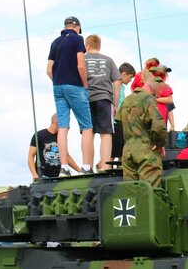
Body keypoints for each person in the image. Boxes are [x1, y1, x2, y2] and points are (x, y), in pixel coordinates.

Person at [45, 15, 91, 174]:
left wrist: (58, 81)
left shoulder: (55, 42)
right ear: (77, 27)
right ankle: (86, 166)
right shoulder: (78, 39)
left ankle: (63, 167)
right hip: (75, 86)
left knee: (63, 127)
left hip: (58, 87)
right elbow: (81, 65)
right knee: (86, 126)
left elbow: (49, 69)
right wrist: (85, 85)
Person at [118, 79, 167, 185]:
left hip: (127, 153)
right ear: (154, 88)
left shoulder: (126, 100)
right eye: (157, 93)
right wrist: (159, 143)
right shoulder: (148, 99)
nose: (157, 97)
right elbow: (159, 126)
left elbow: (119, 122)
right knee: (150, 191)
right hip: (146, 151)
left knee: (132, 194)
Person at [84, 34, 121, 170]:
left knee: (88, 133)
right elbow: (117, 83)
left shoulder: (82, 58)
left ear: (87, 46)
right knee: (106, 134)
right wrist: (115, 104)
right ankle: (105, 166)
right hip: (104, 98)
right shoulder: (108, 60)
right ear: (99, 46)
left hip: (85, 99)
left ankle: (87, 166)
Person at [111, 63, 137, 162]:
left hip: (122, 121)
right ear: (124, 74)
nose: (130, 81)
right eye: (130, 77)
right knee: (113, 150)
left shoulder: (123, 88)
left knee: (123, 149)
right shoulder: (113, 84)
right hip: (114, 121)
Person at [28, 114, 61, 181]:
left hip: (58, 177)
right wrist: (34, 175)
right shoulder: (39, 135)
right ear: (58, 122)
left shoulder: (61, 137)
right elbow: (31, 155)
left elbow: (66, 155)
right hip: (43, 176)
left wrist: (79, 170)